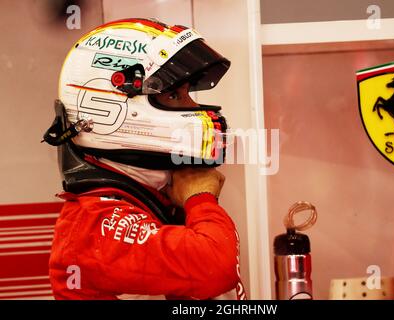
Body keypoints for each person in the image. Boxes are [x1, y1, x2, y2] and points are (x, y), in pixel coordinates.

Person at [43, 18, 246, 300]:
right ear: (111, 106)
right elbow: (216, 269)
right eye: (175, 95)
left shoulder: (149, 198)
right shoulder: (91, 226)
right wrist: (201, 199)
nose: (195, 108)